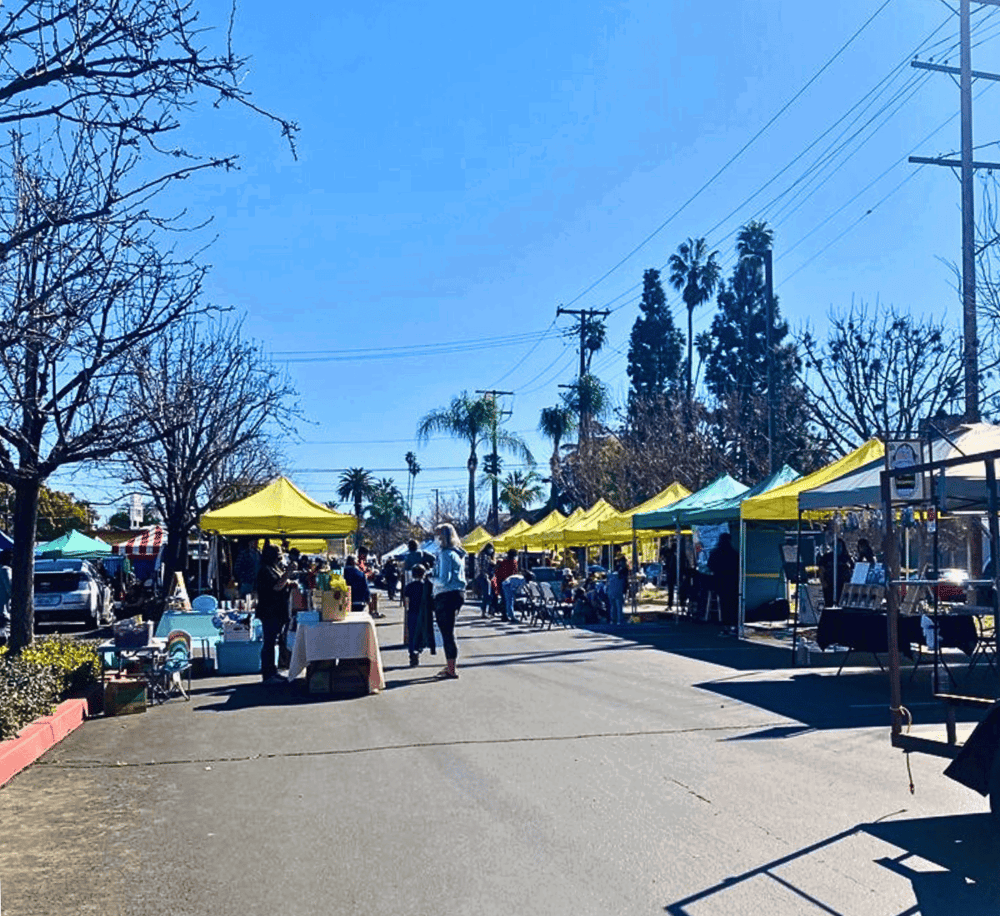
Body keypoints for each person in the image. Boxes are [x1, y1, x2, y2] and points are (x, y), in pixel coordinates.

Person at [254, 543, 294, 684]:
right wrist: (288, 573)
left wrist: (289, 582)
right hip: (269, 611)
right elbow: (276, 586)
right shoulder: (265, 570)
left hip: (276, 611)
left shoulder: (273, 568)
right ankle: (268, 674)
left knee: (273, 642)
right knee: (269, 643)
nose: (280, 556)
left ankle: (273, 671)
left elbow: (281, 583)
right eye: (278, 553)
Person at [431, 523, 466, 679]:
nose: (436, 539)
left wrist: (431, 578)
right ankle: (451, 664)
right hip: (458, 593)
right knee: (449, 631)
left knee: (447, 633)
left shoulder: (445, 554)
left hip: (446, 594)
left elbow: (444, 580)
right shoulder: (458, 554)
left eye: (438, 536)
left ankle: (451, 669)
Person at [402, 564, 436, 667]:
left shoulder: (409, 586)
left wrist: (407, 611)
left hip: (413, 612)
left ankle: (413, 654)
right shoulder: (428, 585)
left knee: (412, 635)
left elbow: (406, 601)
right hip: (426, 614)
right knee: (424, 633)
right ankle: (420, 649)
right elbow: (432, 599)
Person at [707, 532, 739, 627]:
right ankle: (734, 623)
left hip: (720, 580)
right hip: (732, 581)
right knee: (733, 603)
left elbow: (710, 566)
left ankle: (726, 624)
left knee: (723, 603)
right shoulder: (734, 553)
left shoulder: (715, 552)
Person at [234, 538, 261, 609]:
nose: (255, 544)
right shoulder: (243, 553)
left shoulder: (259, 553)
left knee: (255, 600)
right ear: (249, 543)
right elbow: (237, 567)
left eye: (256, 542)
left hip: (257, 581)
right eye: (254, 542)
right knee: (244, 600)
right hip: (246, 581)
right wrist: (242, 578)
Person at [494, 548, 519, 622]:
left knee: (504, 600)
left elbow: (498, 572)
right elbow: (514, 573)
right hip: (509, 583)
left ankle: (504, 615)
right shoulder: (513, 562)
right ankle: (510, 616)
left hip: (501, 581)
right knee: (509, 600)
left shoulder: (503, 562)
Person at [607, 555, 629, 625]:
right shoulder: (624, 570)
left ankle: (613, 619)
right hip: (619, 589)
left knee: (613, 606)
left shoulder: (615, 570)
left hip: (612, 589)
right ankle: (619, 620)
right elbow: (624, 580)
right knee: (619, 605)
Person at [475, 544, 496, 617]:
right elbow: (482, 566)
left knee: (487, 595)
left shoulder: (485, 556)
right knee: (486, 594)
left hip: (485, 576)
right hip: (484, 577)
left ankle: (485, 612)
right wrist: (485, 575)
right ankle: (484, 612)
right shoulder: (484, 555)